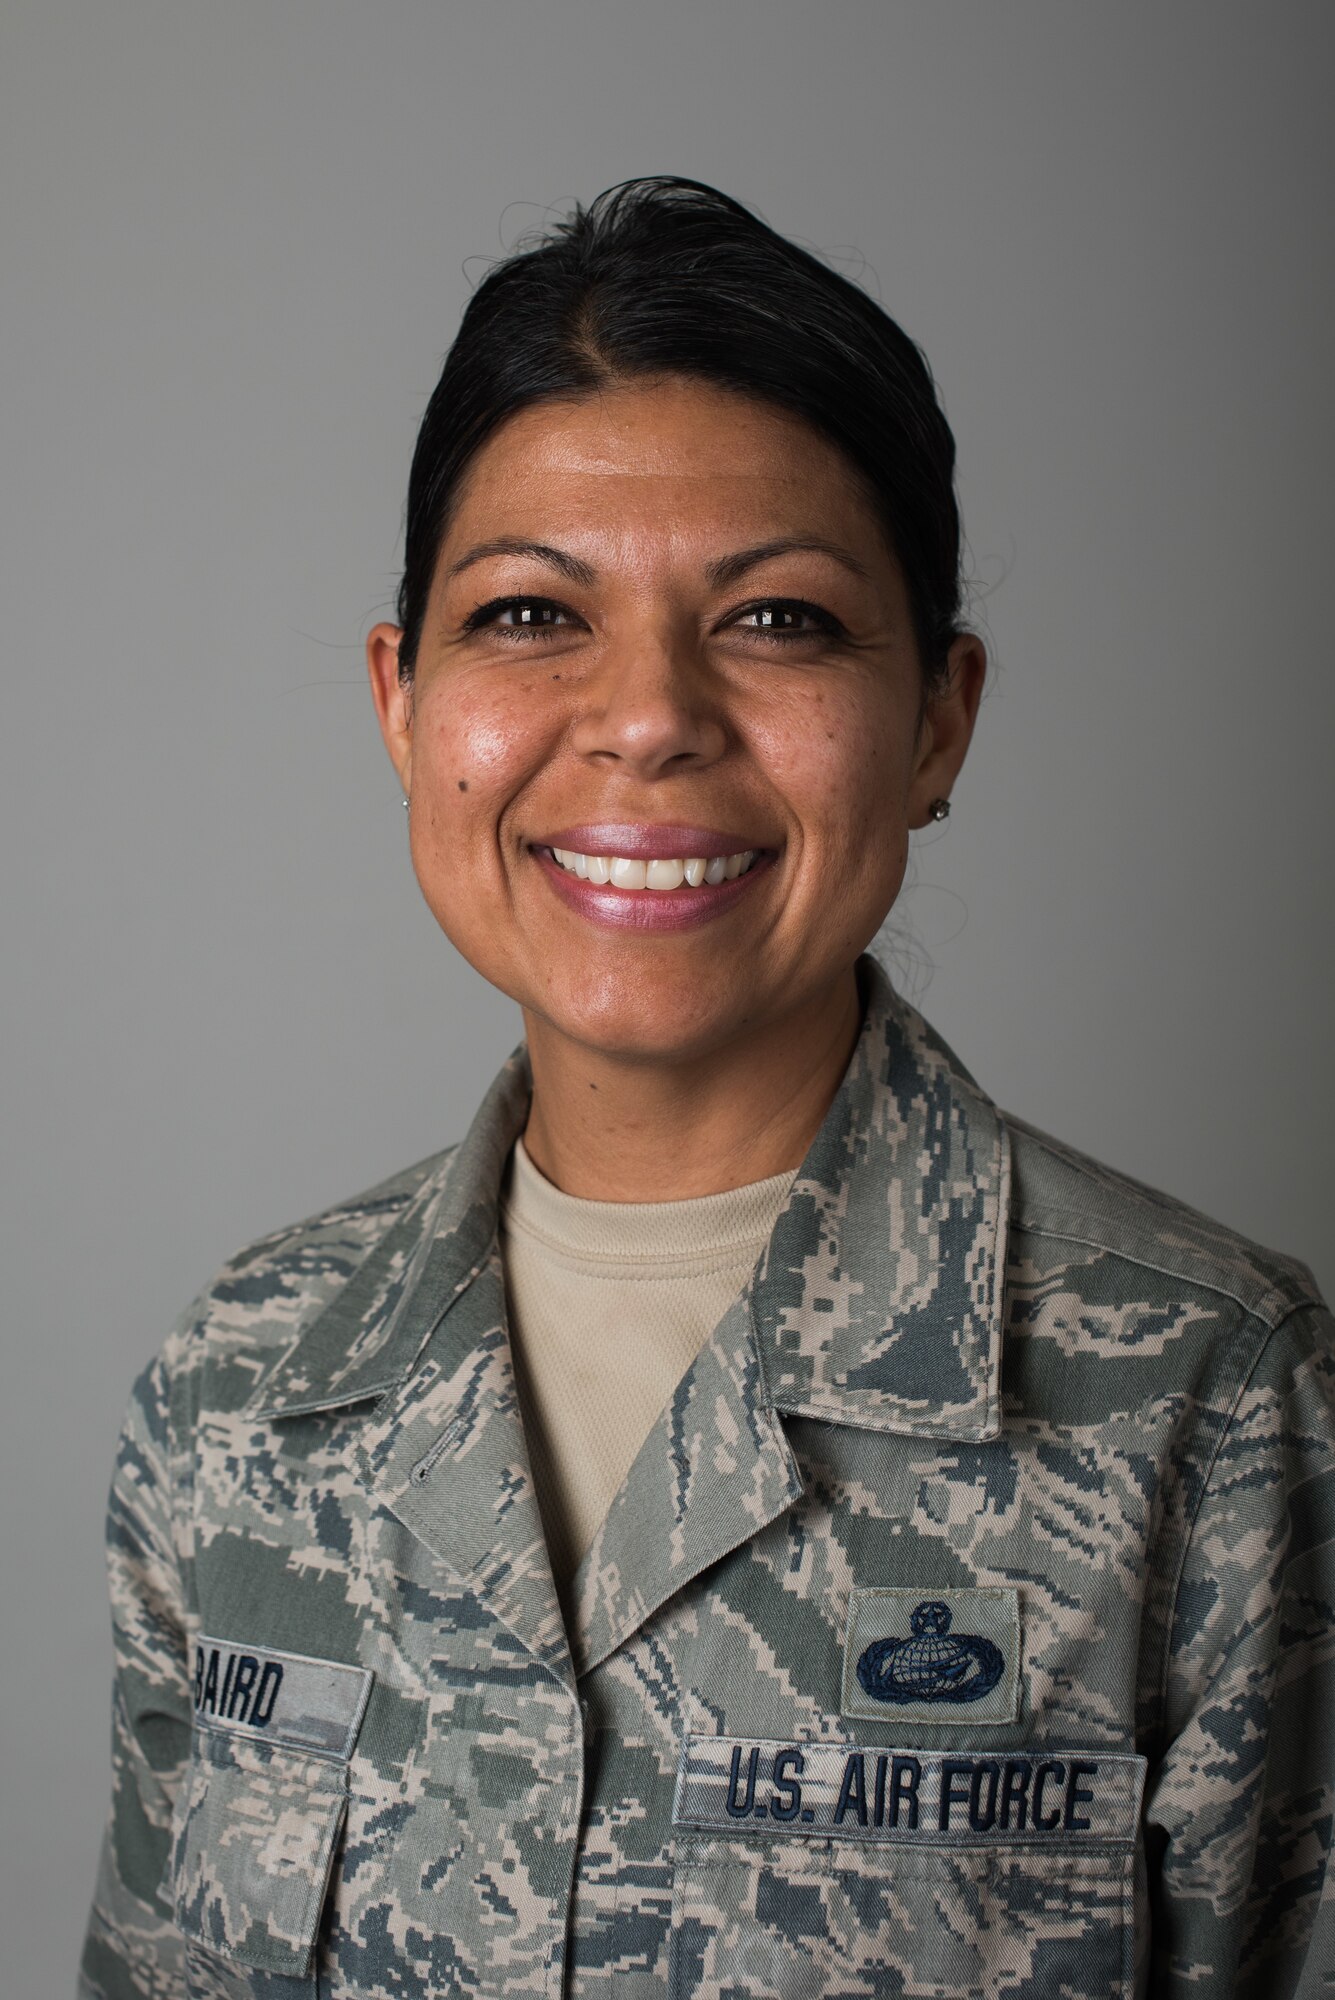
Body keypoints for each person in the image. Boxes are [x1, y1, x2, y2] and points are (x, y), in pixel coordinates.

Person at [79, 176, 1334, 2000]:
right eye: (527, 616)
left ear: (939, 723)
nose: (649, 713)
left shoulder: (1213, 1408)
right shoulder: (240, 1396)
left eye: (780, 621)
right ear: (402, 703)